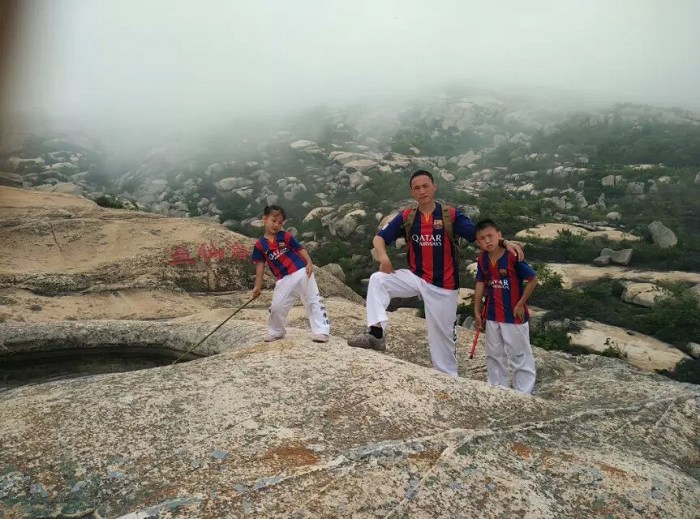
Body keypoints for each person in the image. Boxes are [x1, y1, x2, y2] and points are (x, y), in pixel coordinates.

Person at [347, 170, 523, 376]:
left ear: (434, 187)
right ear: (412, 192)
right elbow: (379, 238)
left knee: (442, 340)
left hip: (444, 285)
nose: (422, 191)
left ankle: (448, 378)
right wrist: (384, 258)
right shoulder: (408, 216)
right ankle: (376, 333)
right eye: (417, 188)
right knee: (378, 280)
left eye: (425, 186)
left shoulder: (450, 215)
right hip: (417, 277)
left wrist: (504, 242)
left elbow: (478, 235)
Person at [473, 218, 538, 394]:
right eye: (482, 238)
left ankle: (524, 392)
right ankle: (498, 388)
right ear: (478, 242)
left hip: (514, 315)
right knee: (493, 354)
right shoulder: (482, 259)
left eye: (490, 236)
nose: (488, 241)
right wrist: (477, 310)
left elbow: (533, 279)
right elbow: (480, 283)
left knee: (519, 355)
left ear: (499, 235)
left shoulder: (512, 256)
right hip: (492, 313)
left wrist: (520, 304)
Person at [251, 205, 330, 343]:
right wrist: (257, 286)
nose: (276, 225)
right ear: (264, 219)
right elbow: (260, 266)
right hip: (283, 278)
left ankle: (321, 331)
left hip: (301, 271)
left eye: (280, 222)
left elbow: (300, 249)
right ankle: (276, 331)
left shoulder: (285, 236)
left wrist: (309, 263)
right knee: (276, 307)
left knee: (313, 299)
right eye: (273, 220)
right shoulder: (259, 245)